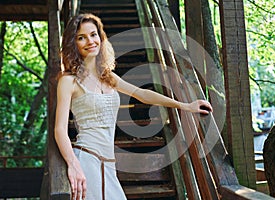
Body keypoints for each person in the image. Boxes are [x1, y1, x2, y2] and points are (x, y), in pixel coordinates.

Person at [54, 13, 213, 200]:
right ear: (74, 44)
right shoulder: (68, 81)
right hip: (86, 160)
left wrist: (185, 105)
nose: (90, 41)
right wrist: (73, 165)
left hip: (109, 164)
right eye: (81, 37)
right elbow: (59, 129)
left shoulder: (108, 77)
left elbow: (142, 95)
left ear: (100, 37)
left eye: (93, 34)